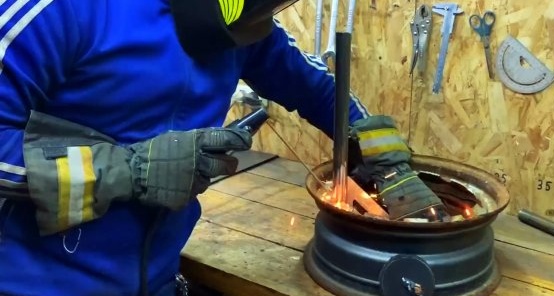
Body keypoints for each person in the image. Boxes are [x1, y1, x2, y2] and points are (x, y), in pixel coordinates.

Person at [0, 0, 449, 295]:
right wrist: (130, 169)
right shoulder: (65, 10)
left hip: (157, 281)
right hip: (40, 283)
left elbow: (316, 87)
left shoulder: (237, 22)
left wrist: (374, 148)